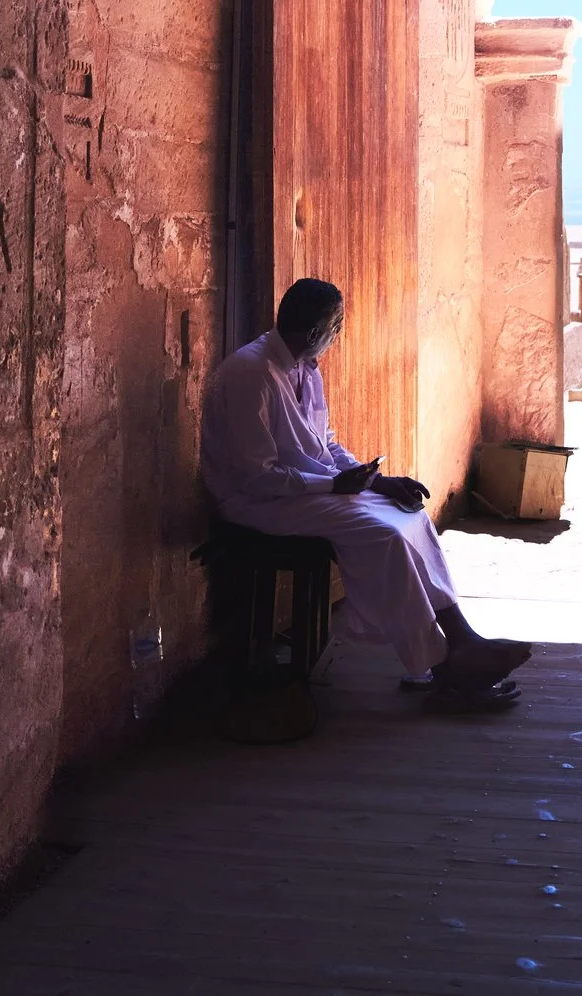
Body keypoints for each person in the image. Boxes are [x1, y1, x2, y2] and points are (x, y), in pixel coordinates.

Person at [201, 278, 531, 711]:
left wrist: (374, 480)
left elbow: (324, 445)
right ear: (316, 334)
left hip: (306, 491)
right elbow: (254, 476)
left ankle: (463, 639)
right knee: (384, 534)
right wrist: (334, 485)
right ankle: (443, 665)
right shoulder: (252, 374)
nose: (337, 336)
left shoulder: (304, 367)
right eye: (336, 327)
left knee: (409, 515)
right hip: (255, 502)